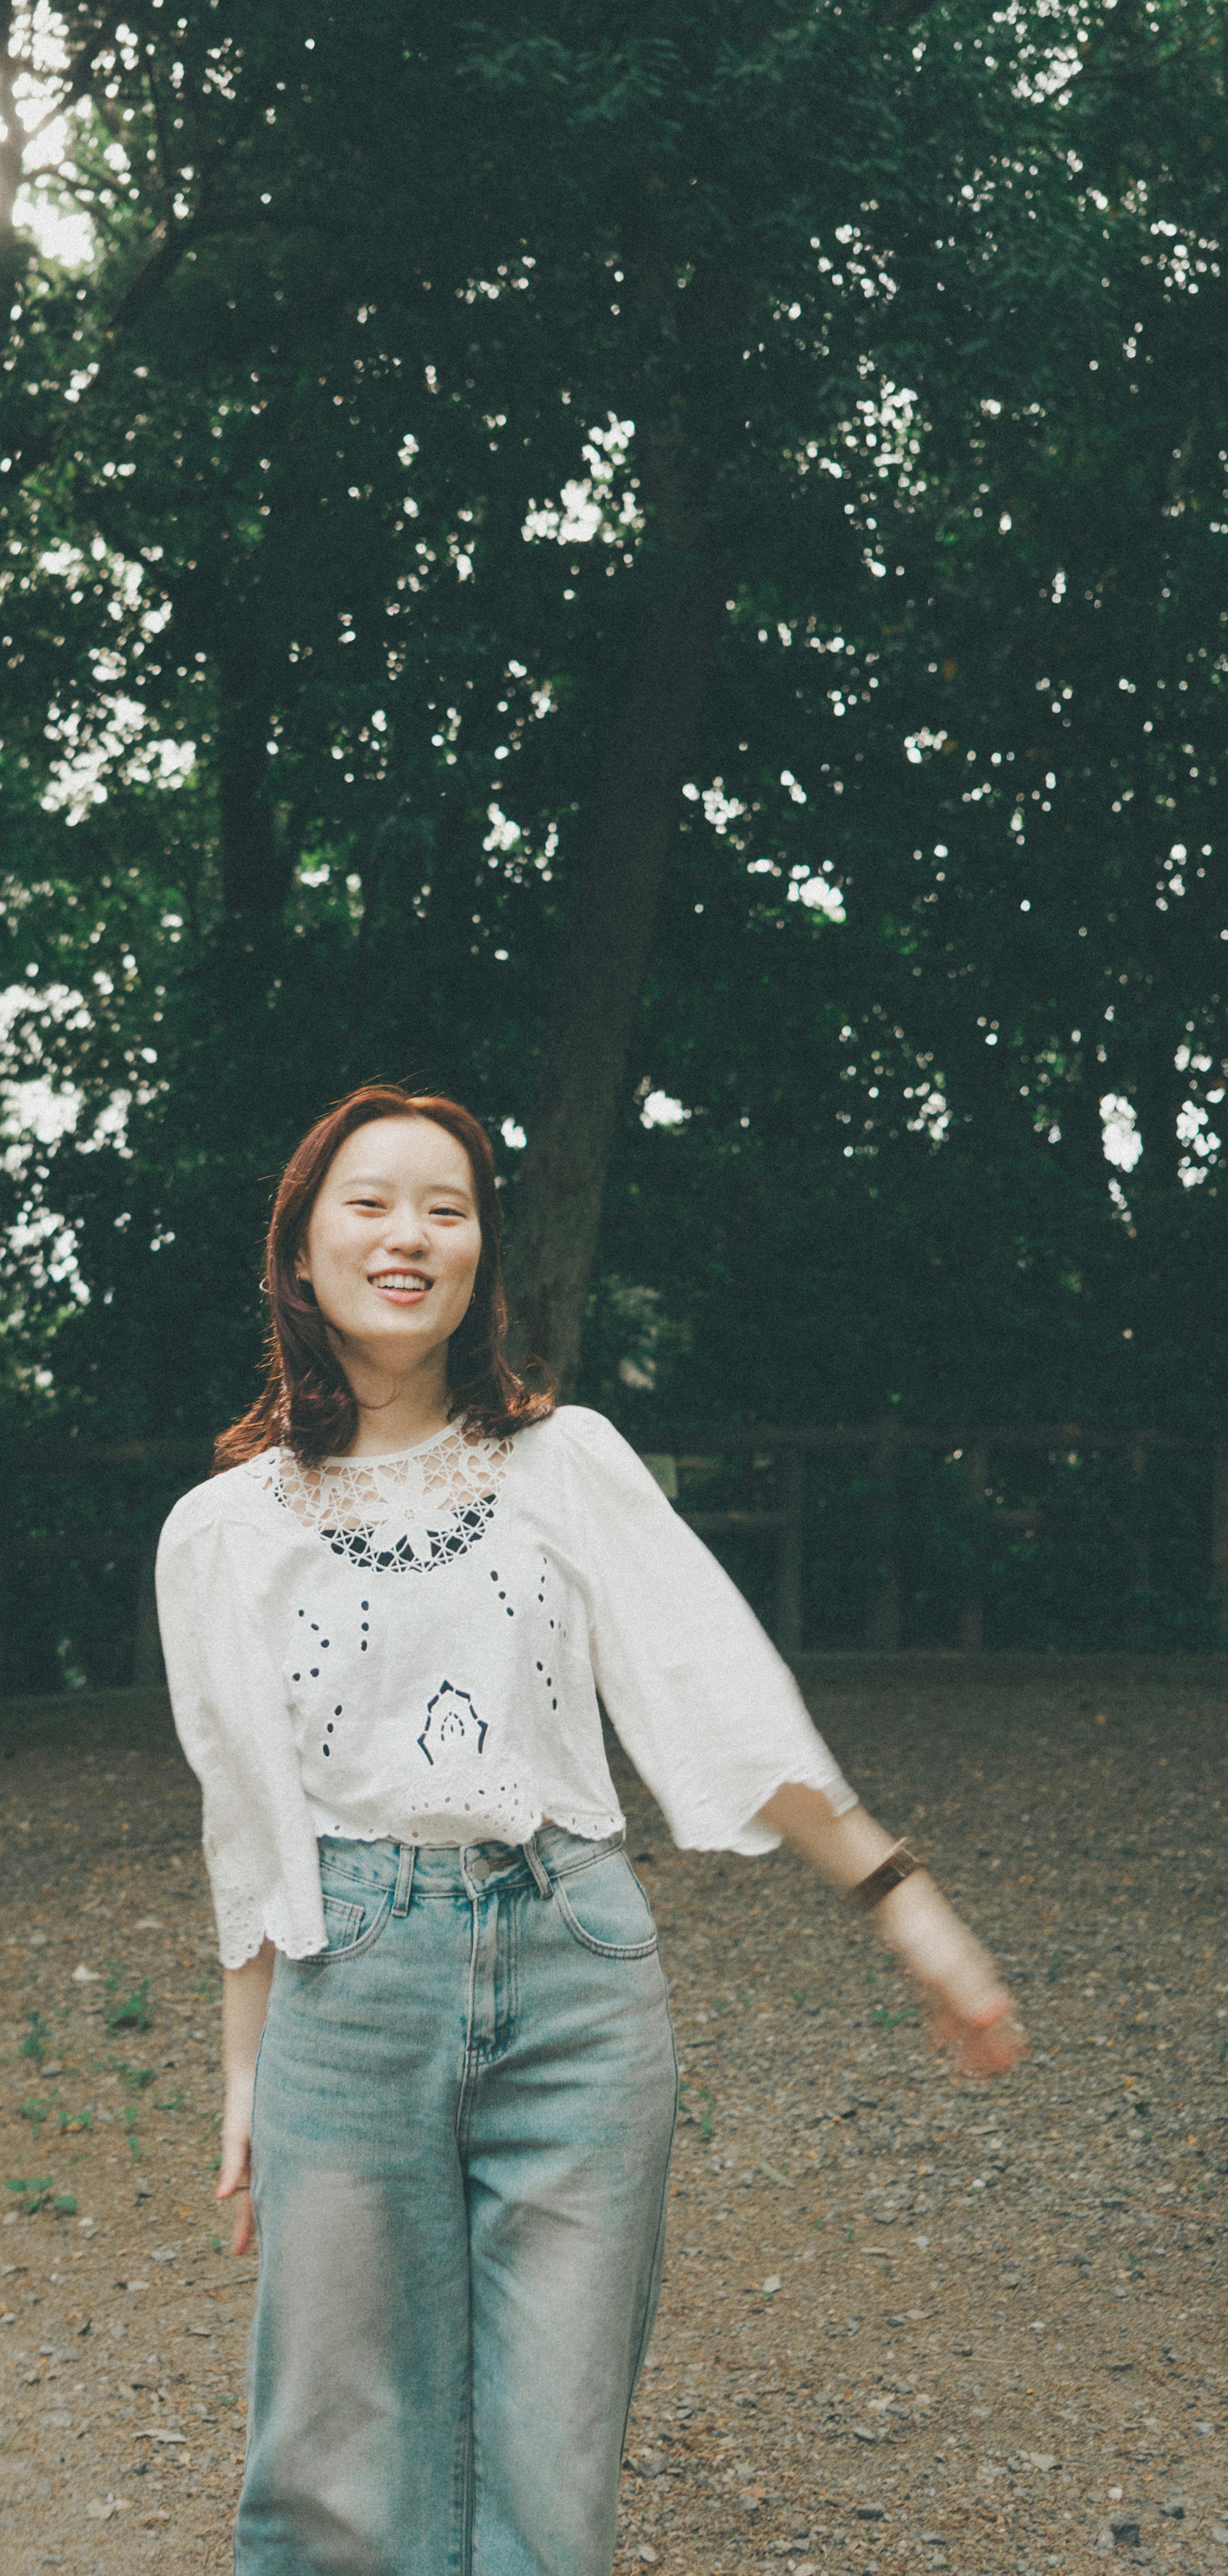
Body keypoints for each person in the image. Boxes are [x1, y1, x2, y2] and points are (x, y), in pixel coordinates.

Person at [155, 1084, 1024, 2576]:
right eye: (369, 1202)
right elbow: (250, 1829)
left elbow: (722, 1696)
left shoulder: (570, 1467)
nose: (411, 1233)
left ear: (483, 1252)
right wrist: (247, 2065)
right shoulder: (223, 1533)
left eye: (450, 1204)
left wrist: (900, 1899)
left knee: (554, 2475)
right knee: (331, 2471)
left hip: (578, 1974)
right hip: (350, 1987)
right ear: (300, 1254)